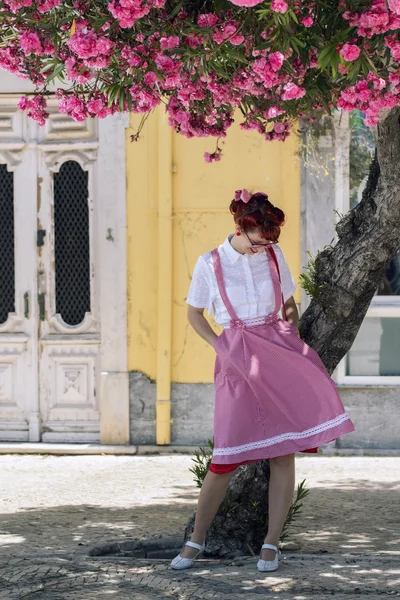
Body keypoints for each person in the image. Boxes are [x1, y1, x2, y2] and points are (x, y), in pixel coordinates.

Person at [171, 190, 355, 572]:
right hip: (235, 355)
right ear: (241, 227)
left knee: (282, 453)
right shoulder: (211, 263)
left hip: (278, 350)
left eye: (270, 242)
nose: (264, 248)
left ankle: (271, 544)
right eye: (259, 241)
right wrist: (221, 348)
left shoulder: (272, 254)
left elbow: (289, 300)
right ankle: (195, 541)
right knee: (224, 459)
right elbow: (194, 315)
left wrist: (292, 333)